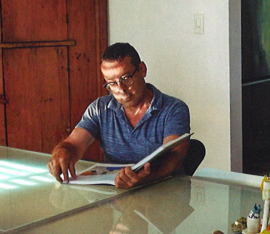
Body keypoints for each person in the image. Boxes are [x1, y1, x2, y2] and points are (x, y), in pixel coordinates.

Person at [48, 42, 190, 189]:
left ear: (142, 69)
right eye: (112, 83)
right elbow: (73, 144)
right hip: (116, 194)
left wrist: (143, 179)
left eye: (126, 78)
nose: (121, 89)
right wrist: (62, 152)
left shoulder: (173, 109)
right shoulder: (100, 109)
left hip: (164, 193)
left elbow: (174, 158)